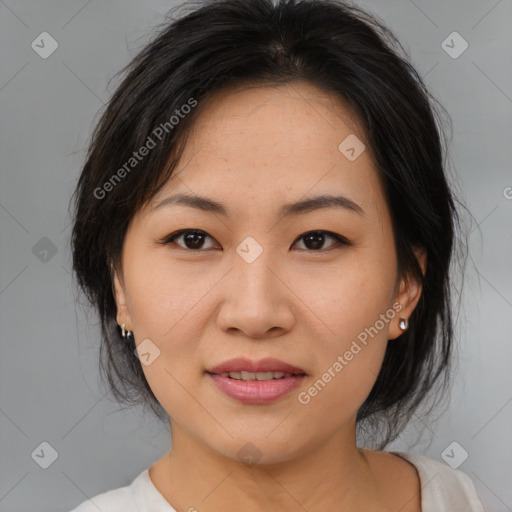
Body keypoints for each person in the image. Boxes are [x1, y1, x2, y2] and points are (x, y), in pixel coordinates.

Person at [69, 0, 485, 510]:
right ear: (120, 285)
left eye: (317, 240)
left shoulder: (459, 499)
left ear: (405, 284)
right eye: (194, 239)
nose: (255, 313)